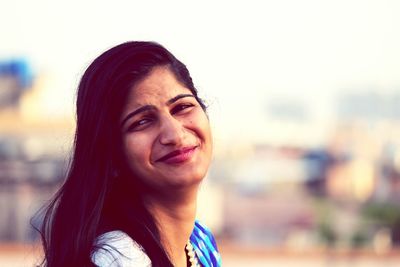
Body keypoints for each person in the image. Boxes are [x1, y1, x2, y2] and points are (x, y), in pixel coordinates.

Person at [38, 41, 222, 267]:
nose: (174, 134)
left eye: (182, 107)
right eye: (143, 121)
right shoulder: (118, 259)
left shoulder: (199, 243)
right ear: (112, 155)